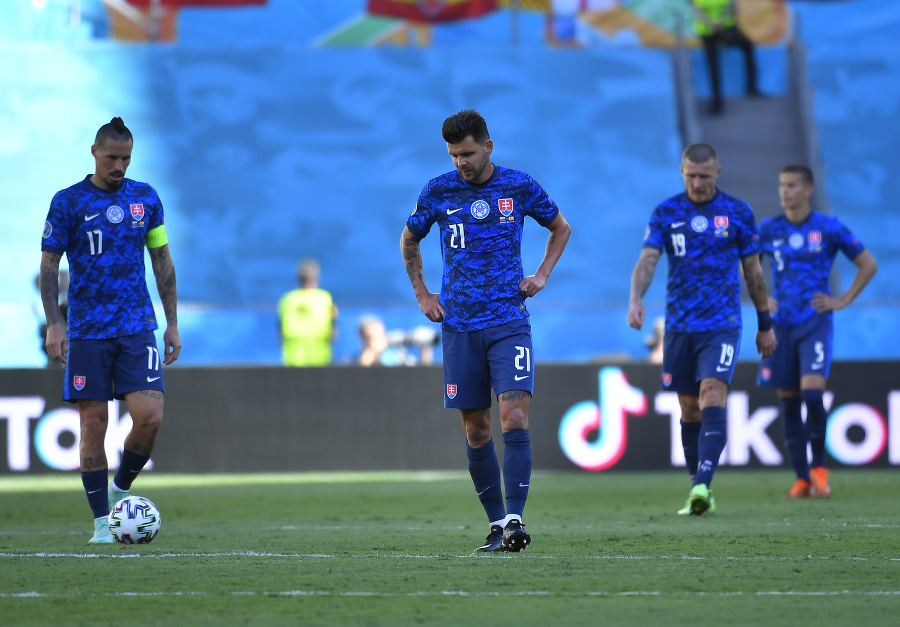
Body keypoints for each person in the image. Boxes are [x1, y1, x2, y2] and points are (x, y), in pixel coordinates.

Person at [400, 109, 570, 552]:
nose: (462, 162)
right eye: (454, 154)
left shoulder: (518, 186)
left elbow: (560, 227)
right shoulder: (438, 190)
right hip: (458, 328)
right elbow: (409, 239)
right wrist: (423, 295)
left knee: (514, 417)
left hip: (509, 323)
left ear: (488, 147)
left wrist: (542, 275)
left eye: (469, 153)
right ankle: (497, 526)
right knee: (477, 430)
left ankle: (515, 519)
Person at [39, 117, 181, 544]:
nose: (119, 166)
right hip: (87, 330)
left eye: (126, 158)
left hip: (138, 325)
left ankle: (120, 487)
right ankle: (102, 523)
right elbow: (50, 266)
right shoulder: (68, 202)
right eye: (113, 158)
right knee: (93, 423)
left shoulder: (145, 199)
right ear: (95, 153)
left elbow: (161, 260)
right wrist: (54, 324)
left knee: (150, 417)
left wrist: (172, 323)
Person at [628, 142, 776, 516]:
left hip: (721, 324)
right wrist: (636, 299)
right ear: (682, 172)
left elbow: (753, 271)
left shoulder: (738, 212)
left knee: (712, 393)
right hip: (679, 326)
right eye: (691, 176)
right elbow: (648, 260)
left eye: (704, 177)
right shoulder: (666, 212)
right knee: (689, 407)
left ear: (718, 174)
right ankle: (698, 485)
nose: (697, 183)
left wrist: (764, 324)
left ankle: (702, 486)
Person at [757, 165, 877, 499]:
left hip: (814, 321)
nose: (785, 191)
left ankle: (820, 469)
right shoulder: (769, 229)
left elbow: (868, 264)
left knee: (812, 393)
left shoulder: (828, 227)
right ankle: (801, 478)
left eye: (792, 185)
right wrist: (762, 297)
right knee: (789, 402)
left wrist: (842, 300)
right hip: (780, 326)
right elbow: (745, 263)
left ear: (808, 190)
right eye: (782, 185)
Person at [690, 0, 761, 115]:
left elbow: (733, 6)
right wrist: (711, 24)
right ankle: (717, 102)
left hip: (727, 28)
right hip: (708, 32)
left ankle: (752, 88)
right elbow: (696, 10)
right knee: (713, 65)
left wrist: (720, 23)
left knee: (748, 46)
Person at [277, 258, 338, 367]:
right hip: (321, 359)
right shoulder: (326, 299)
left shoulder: (287, 300)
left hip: (293, 359)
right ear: (318, 278)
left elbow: (280, 331)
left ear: (298, 278)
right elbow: (334, 332)